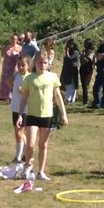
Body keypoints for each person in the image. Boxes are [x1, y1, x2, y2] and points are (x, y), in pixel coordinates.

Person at [16, 51, 69, 181]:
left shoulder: (52, 77)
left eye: (45, 63)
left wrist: (64, 114)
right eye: (40, 62)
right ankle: (28, 165)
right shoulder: (29, 78)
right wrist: (20, 115)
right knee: (30, 143)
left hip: (47, 115)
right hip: (33, 115)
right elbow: (23, 99)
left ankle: (41, 172)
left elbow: (58, 97)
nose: (42, 65)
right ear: (35, 63)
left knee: (43, 145)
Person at [10, 56, 31, 164]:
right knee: (17, 133)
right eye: (19, 65)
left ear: (28, 66)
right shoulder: (17, 75)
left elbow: (29, 93)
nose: (21, 67)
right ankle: (20, 155)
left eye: (23, 65)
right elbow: (9, 84)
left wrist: (23, 90)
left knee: (20, 133)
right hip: (15, 107)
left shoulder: (29, 77)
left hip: (24, 109)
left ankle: (26, 154)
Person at [0, 34, 22, 102]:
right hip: (6, 66)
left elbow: (21, 57)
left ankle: (12, 96)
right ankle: (3, 96)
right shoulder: (8, 47)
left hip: (13, 67)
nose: (13, 40)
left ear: (17, 40)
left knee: (12, 81)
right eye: (12, 39)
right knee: (4, 81)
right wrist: (5, 49)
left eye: (15, 39)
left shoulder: (20, 48)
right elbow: (2, 54)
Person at [60, 39, 80, 104]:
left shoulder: (76, 52)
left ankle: (70, 99)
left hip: (73, 70)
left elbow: (69, 59)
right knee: (68, 85)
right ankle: (68, 98)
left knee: (72, 85)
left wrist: (67, 52)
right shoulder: (69, 51)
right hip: (67, 70)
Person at [79, 39, 95, 106]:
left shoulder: (91, 52)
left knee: (85, 85)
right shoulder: (84, 51)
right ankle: (84, 100)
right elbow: (81, 61)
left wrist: (82, 55)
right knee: (83, 85)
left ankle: (86, 101)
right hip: (82, 68)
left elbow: (86, 60)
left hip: (88, 70)